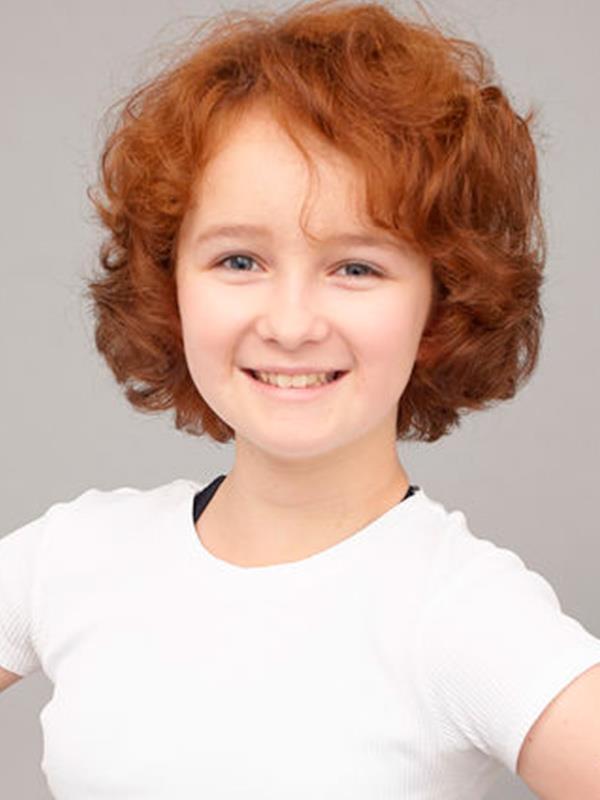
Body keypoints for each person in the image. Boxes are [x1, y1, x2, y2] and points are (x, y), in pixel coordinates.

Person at [1, 0, 599, 798]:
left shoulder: (462, 614)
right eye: (239, 260)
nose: (289, 325)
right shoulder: (72, 557)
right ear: (169, 285)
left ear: (442, 303)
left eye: (356, 268)